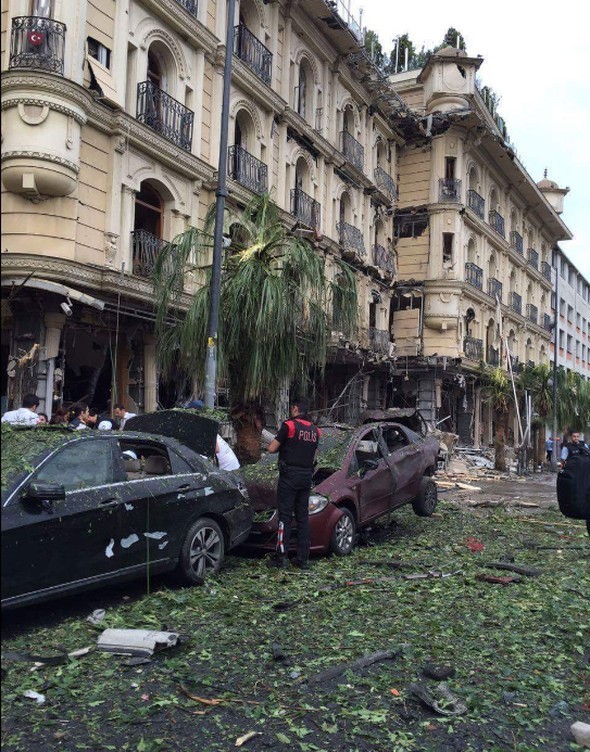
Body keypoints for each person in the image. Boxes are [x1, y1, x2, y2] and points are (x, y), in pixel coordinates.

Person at [266, 398, 320, 570]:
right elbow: (314, 457)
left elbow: (271, 448)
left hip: (289, 476)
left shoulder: (289, 426)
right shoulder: (315, 431)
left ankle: (281, 557)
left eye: (292, 409)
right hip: (306, 477)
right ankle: (303, 559)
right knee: (303, 517)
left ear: (296, 409)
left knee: (285, 517)